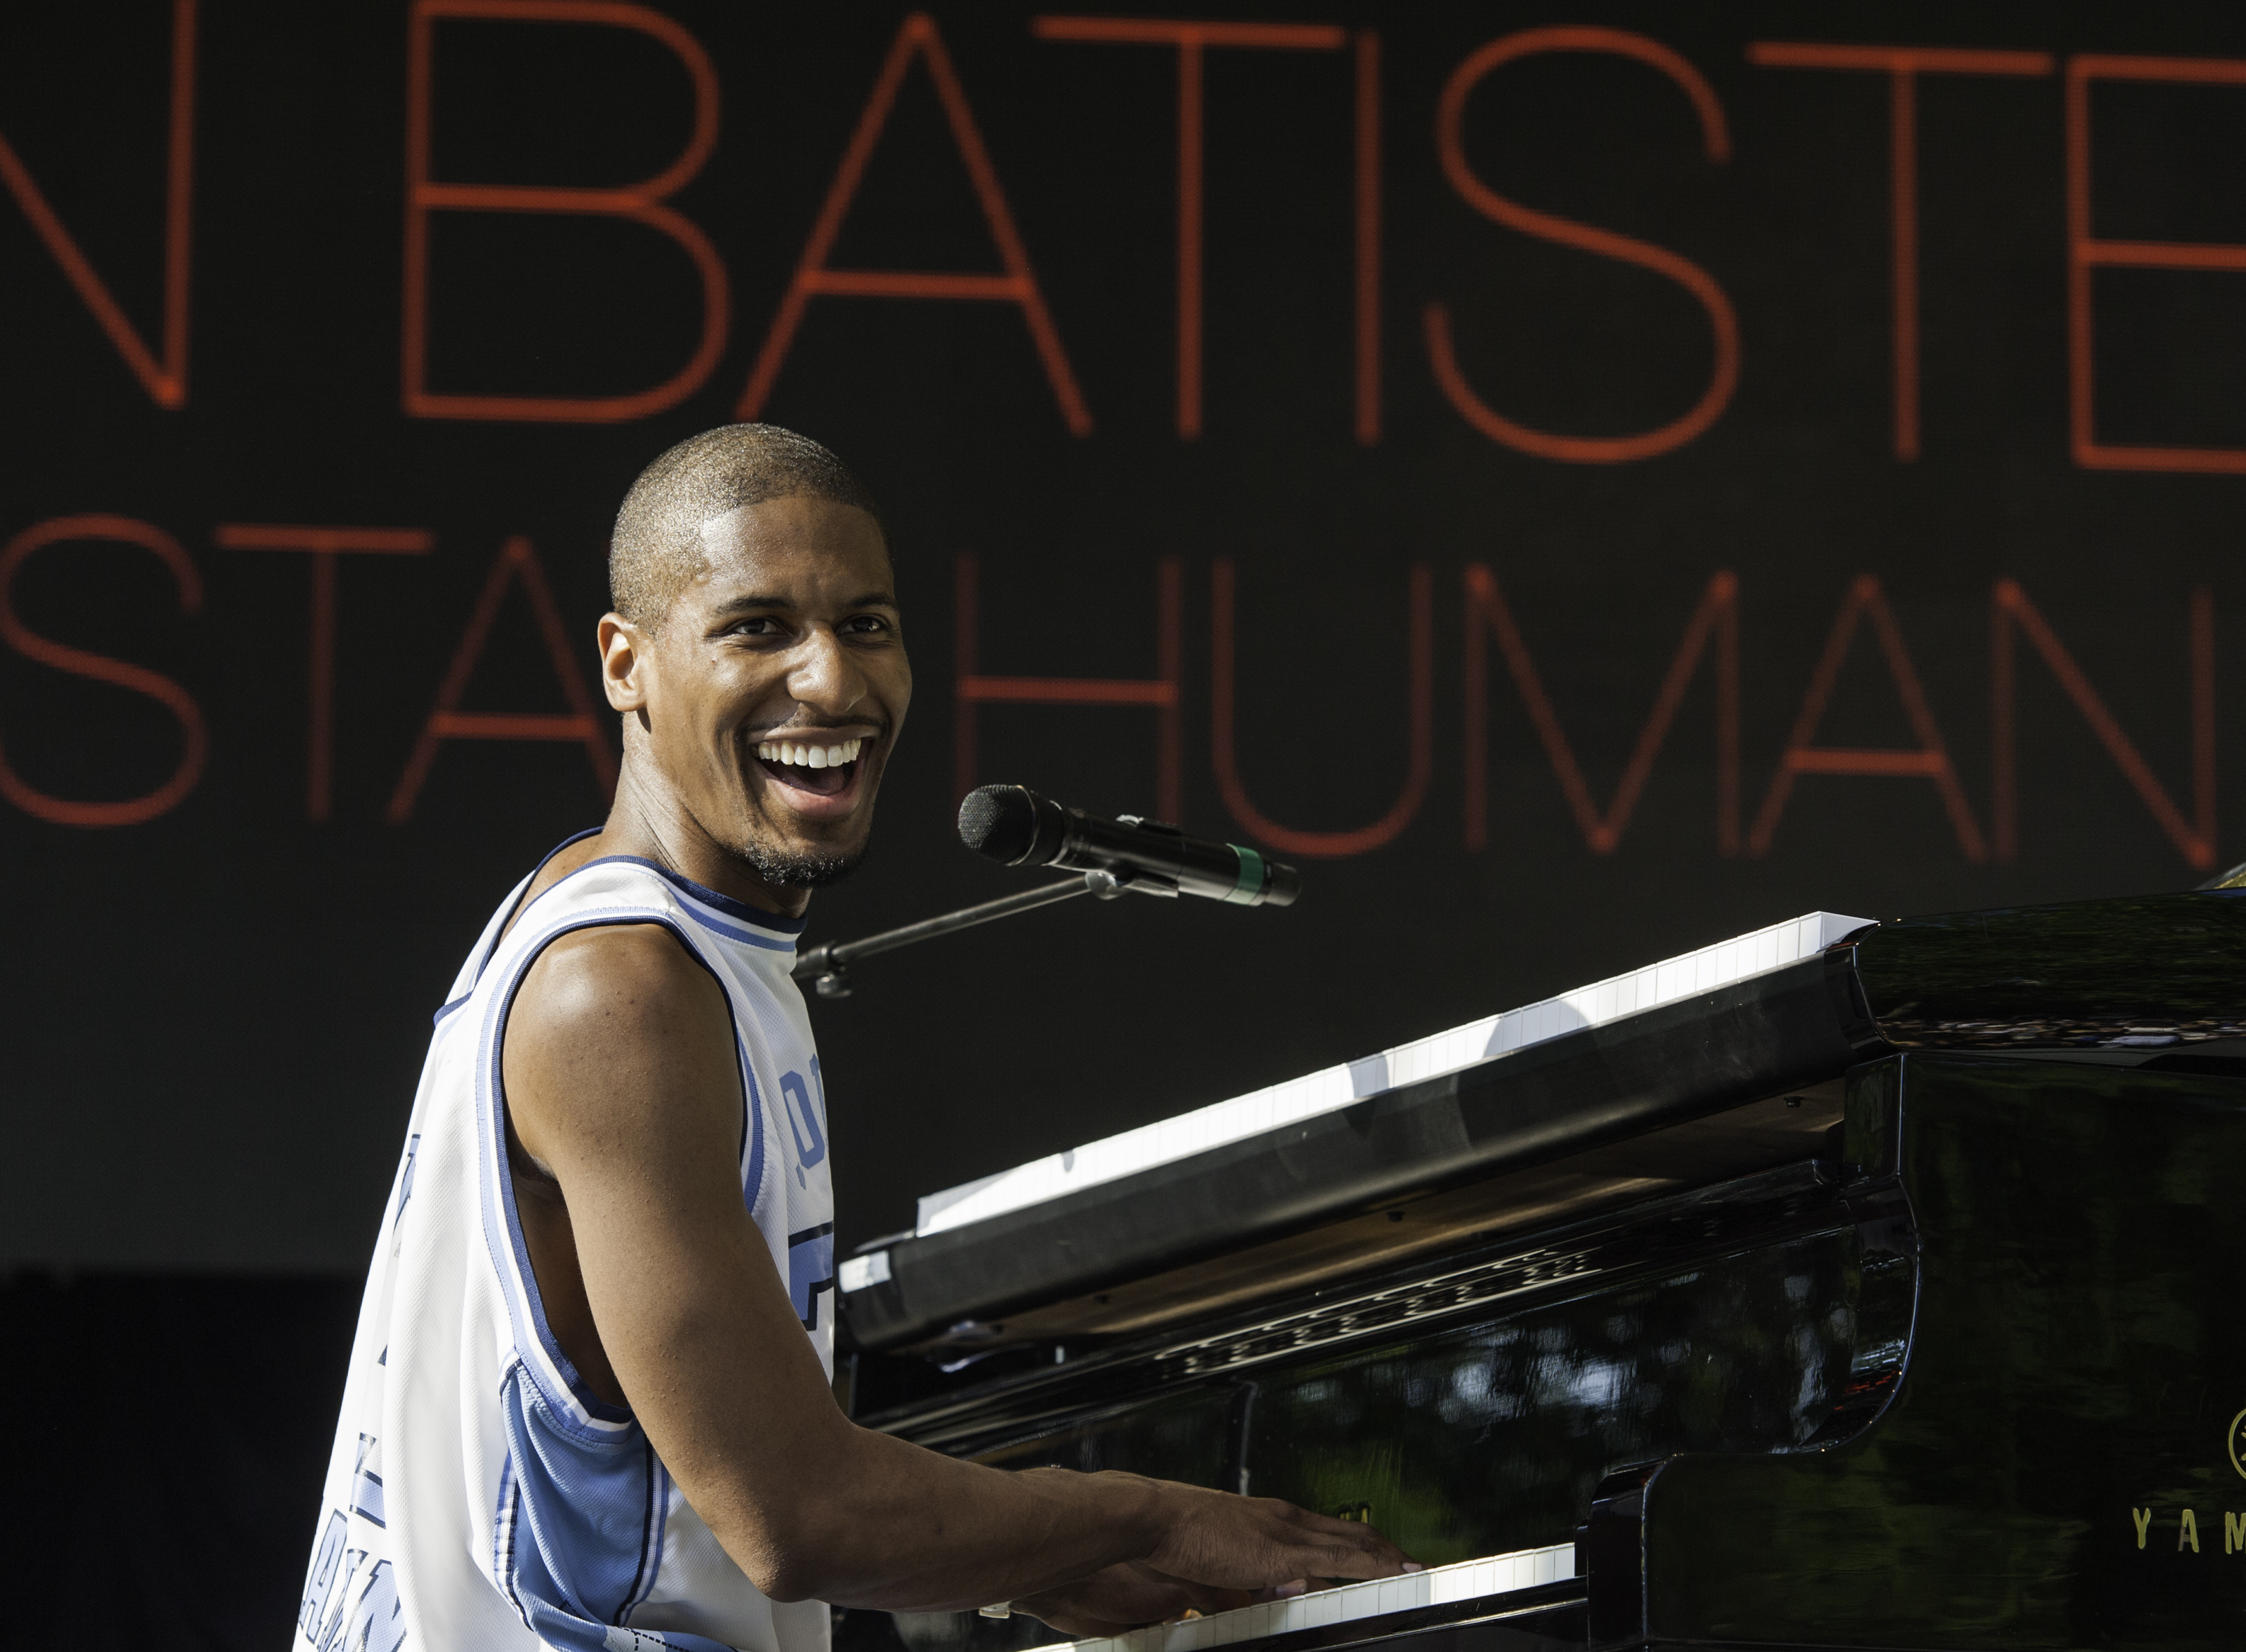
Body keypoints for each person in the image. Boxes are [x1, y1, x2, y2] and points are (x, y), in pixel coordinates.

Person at [294, 425, 1411, 1652]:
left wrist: (1017, 1565)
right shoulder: (619, 990)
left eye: (866, 624)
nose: (831, 683)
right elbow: (794, 1516)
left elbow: (707, 1492)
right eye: (757, 627)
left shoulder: (644, 927)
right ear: (628, 664)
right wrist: (1139, 1518)